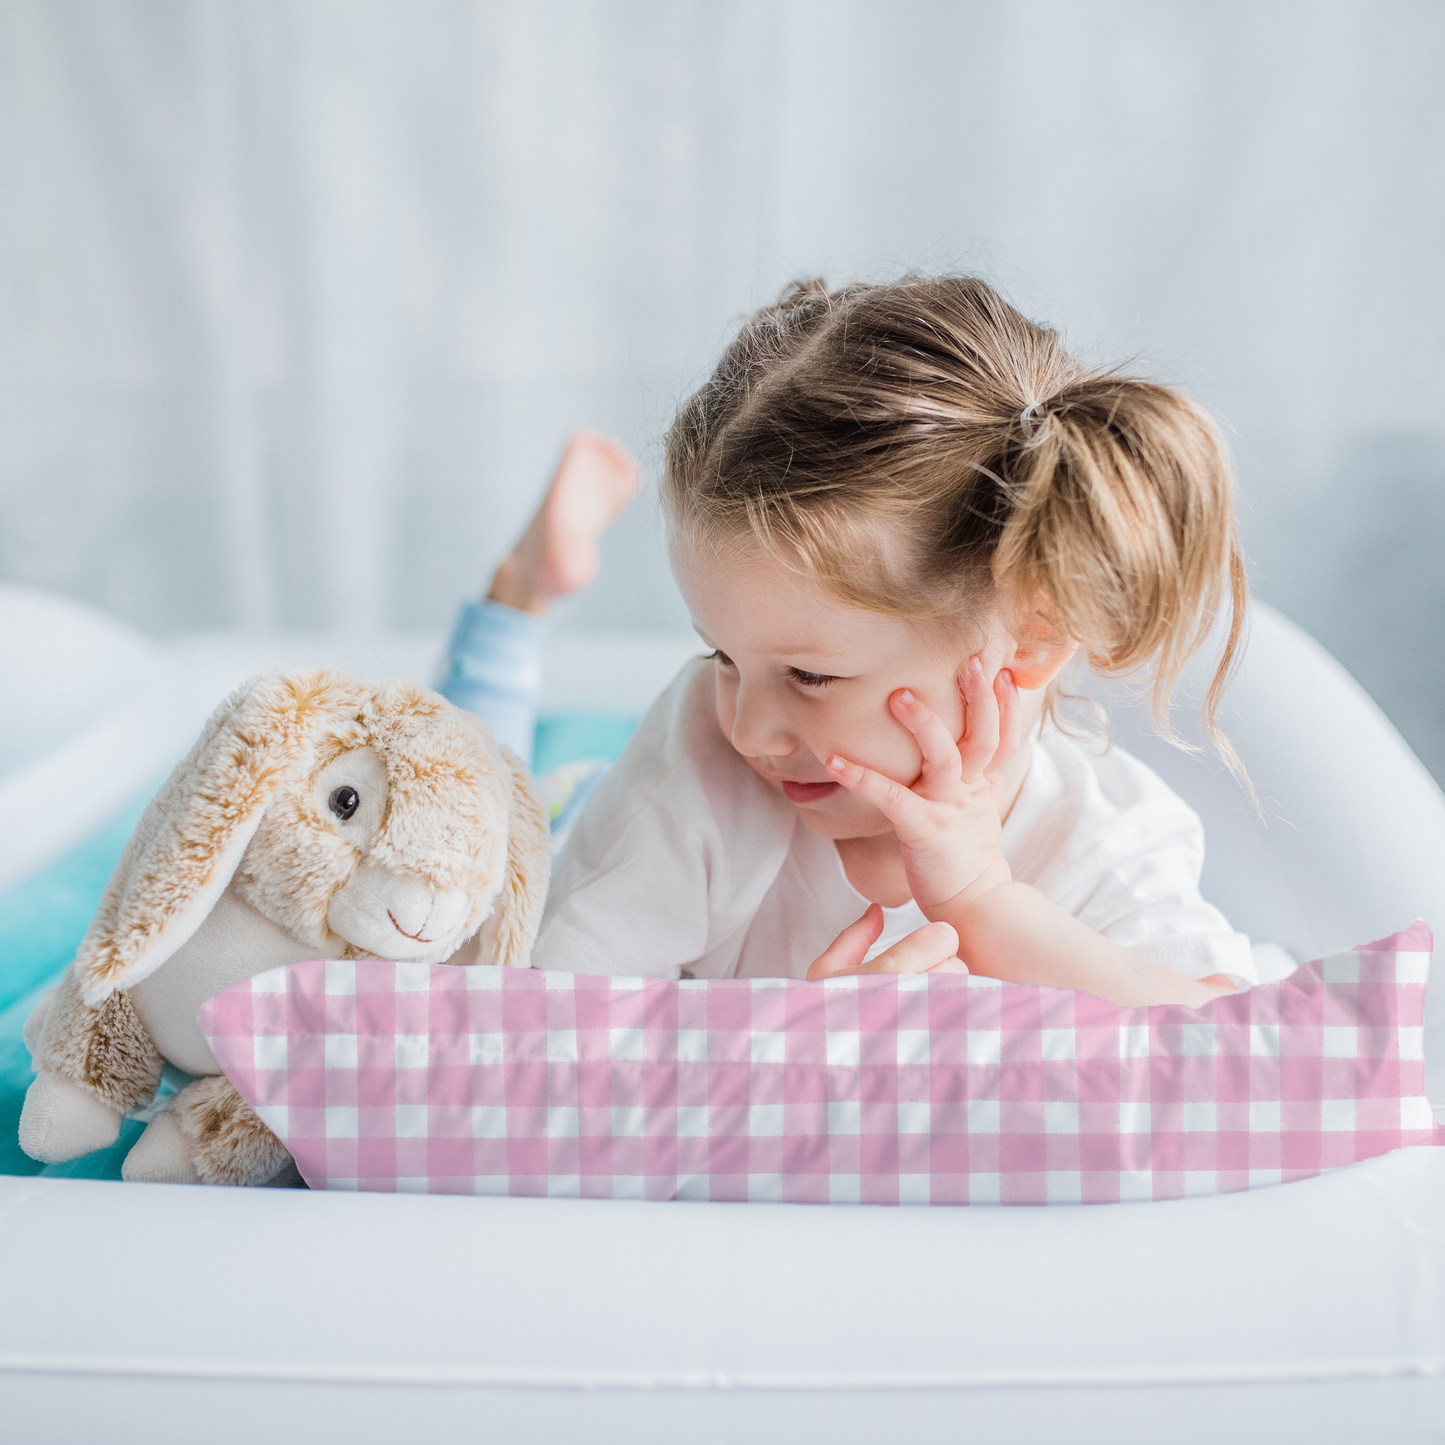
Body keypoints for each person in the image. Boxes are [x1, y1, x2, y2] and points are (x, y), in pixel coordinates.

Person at [443, 277, 1254, 1007]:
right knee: (459, 830)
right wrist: (781, 1065)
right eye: (721, 656)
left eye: (809, 675)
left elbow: (1233, 1041)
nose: (751, 730)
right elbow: (529, 1028)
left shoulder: (1104, 832)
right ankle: (518, 595)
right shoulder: (705, 751)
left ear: (1033, 636)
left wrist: (981, 900)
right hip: (582, 819)